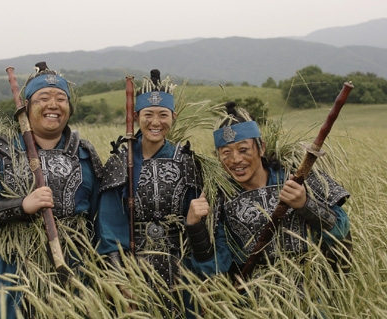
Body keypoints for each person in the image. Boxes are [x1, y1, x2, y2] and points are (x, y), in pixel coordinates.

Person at [0, 62, 102, 319]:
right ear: (25, 107)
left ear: (69, 108)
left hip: (74, 272)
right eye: (43, 98)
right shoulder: (0, 152)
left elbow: (98, 217)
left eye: (61, 98)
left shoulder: (85, 154)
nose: (53, 105)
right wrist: (21, 206)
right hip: (12, 272)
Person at [186, 102, 351, 281]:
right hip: (256, 298)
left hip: (312, 288)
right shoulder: (220, 196)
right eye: (226, 153)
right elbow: (213, 268)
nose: (235, 159)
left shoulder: (296, 177)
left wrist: (305, 204)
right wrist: (195, 227)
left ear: (261, 148)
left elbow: (340, 229)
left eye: (243, 150)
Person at [96, 70, 201, 318]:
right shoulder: (121, 163)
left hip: (180, 268)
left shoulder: (186, 161)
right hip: (133, 267)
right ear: (136, 117)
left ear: (173, 117)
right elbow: (109, 227)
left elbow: (197, 224)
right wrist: (122, 280)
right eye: (148, 115)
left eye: (163, 115)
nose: (156, 122)